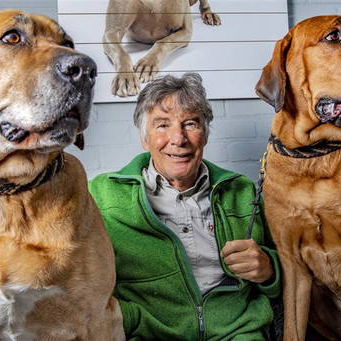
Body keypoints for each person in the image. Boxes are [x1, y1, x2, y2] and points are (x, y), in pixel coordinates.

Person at [89, 73, 281, 340]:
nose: (178, 139)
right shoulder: (103, 194)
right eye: (162, 125)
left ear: (205, 135)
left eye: (190, 123)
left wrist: (268, 270)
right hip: (150, 334)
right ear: (145, 139)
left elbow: (291, 268)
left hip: (237, 331)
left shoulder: (241, 191)